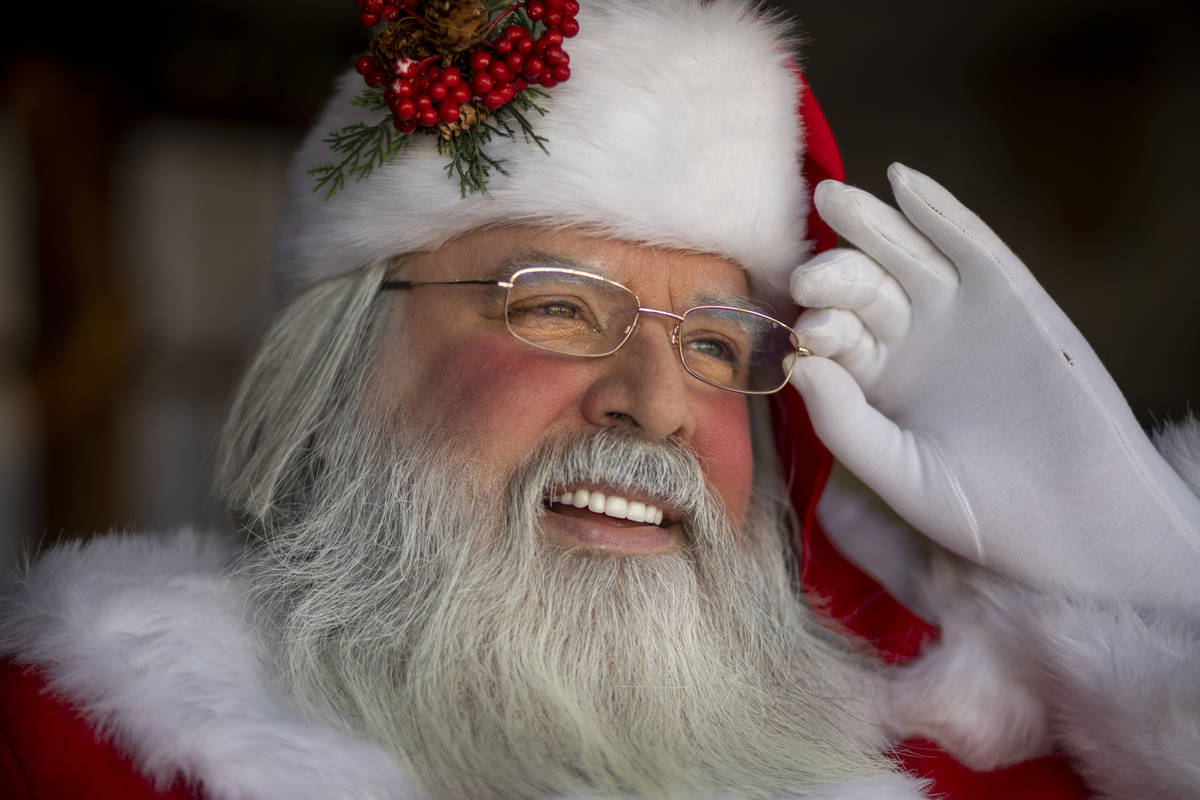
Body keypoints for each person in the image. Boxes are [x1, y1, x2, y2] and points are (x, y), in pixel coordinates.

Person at [2, 0, 1197, 798]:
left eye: (725, 347)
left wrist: (1139, 601)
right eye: (562, 308)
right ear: (340, 366)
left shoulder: (962, 760)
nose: (661, 405)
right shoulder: (67, 746)